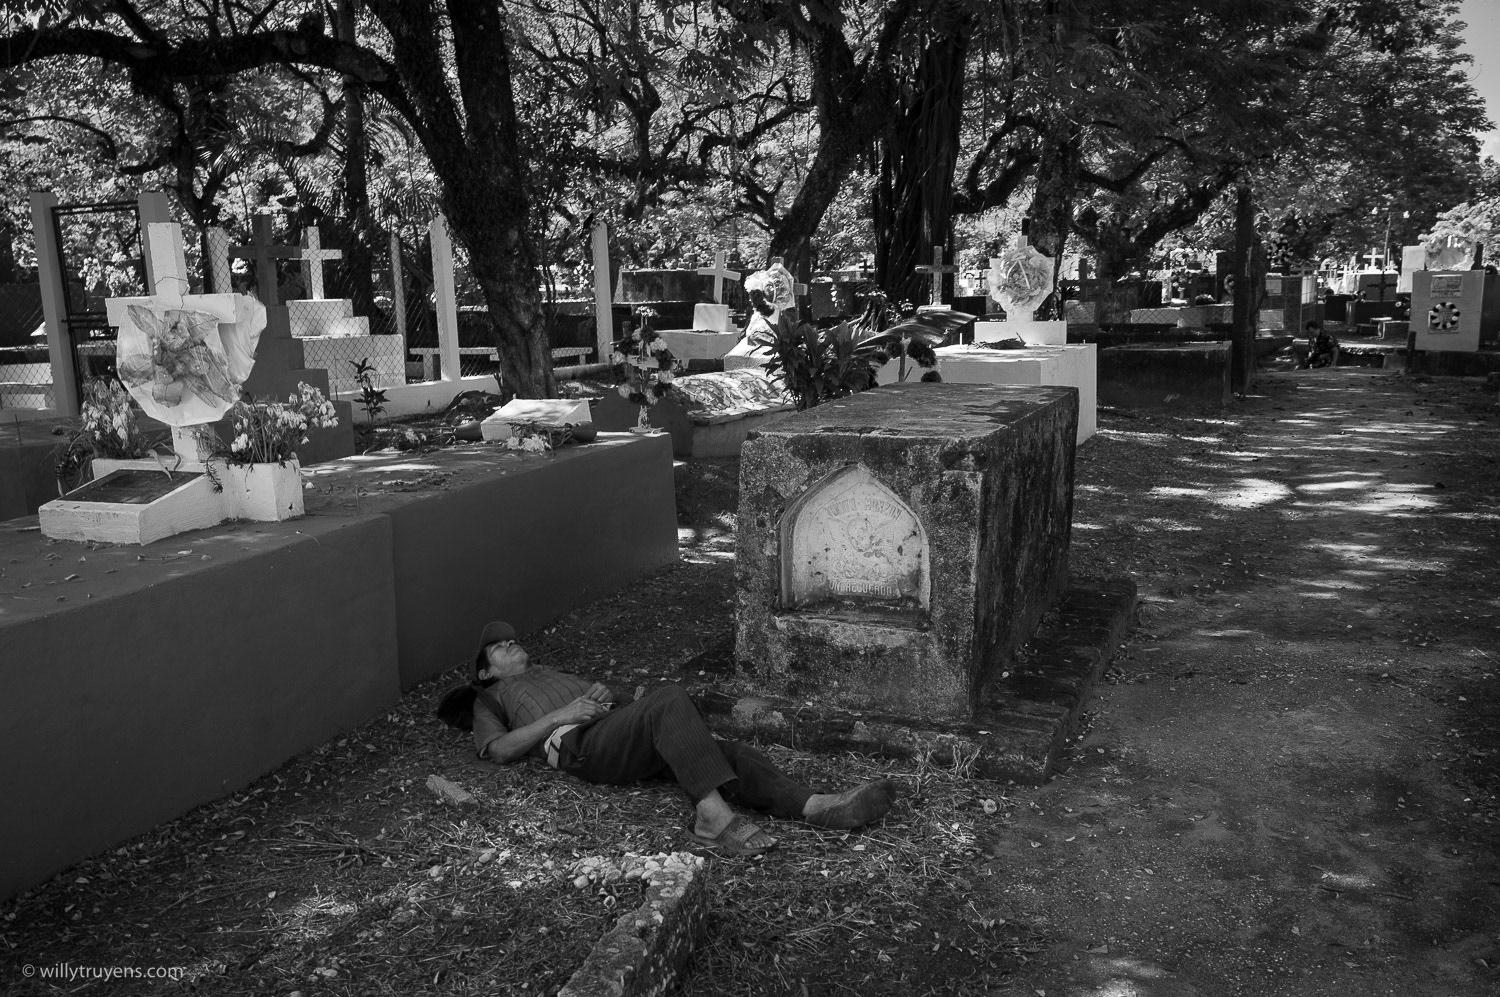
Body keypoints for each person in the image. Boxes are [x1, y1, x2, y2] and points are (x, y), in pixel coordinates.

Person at [466, 621, 899, 856]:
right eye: (500, 647)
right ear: (486, 672)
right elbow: (497, 750)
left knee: (733, 753)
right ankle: (712, 819)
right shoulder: (491, 697)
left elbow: (622, 703)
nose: (511, 644)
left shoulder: (553, 673)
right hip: (581, 748)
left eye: (513, 639)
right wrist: (564, 713)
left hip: (618, 733)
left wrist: (602, 694)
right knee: (670, 698)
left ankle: (817, 807)